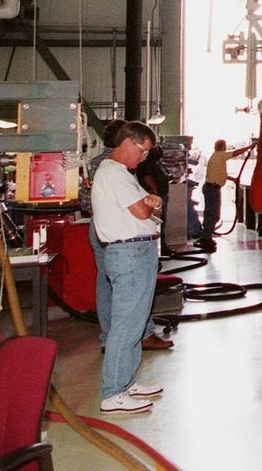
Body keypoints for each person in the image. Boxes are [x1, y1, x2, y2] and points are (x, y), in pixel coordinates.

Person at [92, 121, 167, 413]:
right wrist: (150, 204)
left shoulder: (123, 174)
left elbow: (152, 205)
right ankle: (112, 392)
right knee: (125, 325)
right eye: (143, 151)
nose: (144, 157)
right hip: (130, 253)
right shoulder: (114, 173)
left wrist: (151, 203)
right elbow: (142, 209)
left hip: (137, 251)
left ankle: (125, 382)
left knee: (135, 322)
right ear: (128, 144)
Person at [198, 138, 253, 252]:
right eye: (225, 146)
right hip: (212, 189)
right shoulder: (220, 155)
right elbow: (236, 153)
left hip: (211, 187)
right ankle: (206, 238)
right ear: (222, 147)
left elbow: (218, 173)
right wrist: (249, 147)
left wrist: (232, 179)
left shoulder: (216, 157)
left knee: (212, 213)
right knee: (213, 214)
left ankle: (206, 236)